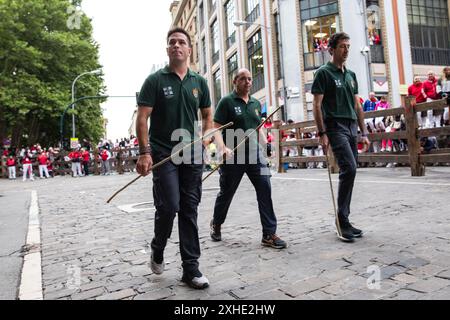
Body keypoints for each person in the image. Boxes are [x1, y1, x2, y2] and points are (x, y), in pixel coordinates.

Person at [136, 27, 213, 289]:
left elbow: (207, 115)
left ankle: (190, 268)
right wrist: (144, 153)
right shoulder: (155, 81)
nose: (177, 46)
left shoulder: (199, 83)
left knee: (189, 209)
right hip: (163, 153)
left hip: (192, 153)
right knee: (169, 206)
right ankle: (158, 248)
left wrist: (205, 138)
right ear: (167, 49)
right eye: (172, 43)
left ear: (189, 49)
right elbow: (143, 118)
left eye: (182, 42)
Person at [210, 68, 287, 249]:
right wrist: (223, 148)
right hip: (233, 157)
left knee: (265, 188)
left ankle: (269, 233)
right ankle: (217, 223)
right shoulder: (226, 102)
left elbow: (258, 128)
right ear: (235, 82)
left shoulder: (255, 104)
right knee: (226, 193)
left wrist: (266, 146)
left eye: (250, 79)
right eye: (243, 79)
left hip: (255, 156)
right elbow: (216, 128)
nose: (248, 82)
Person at [312, 32, 370, 242]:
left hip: (351, 125)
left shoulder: (351, 75)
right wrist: (322, 133)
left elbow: (357, 104)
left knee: (352, 169)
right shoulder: (324, 73)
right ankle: (341, 220)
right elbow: (317, 105)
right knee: (349, 167)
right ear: (332, 49)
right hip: (335, 126)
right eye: (342, 46)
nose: (346, 50)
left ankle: (345, 218)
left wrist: (363, 131)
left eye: (348, 46)